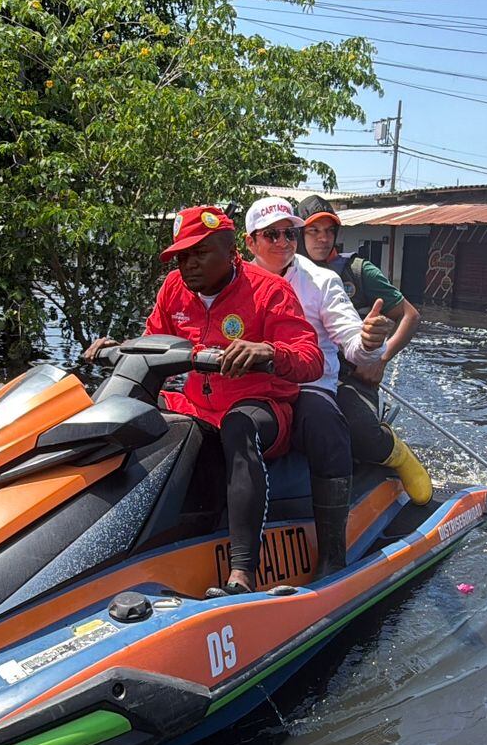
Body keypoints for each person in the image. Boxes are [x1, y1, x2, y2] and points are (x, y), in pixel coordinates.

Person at [85, 206, 323, 595]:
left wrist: (268, 352)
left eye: (199, 254)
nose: (188, 265)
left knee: (238, 425)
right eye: (182, 256)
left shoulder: (270, 291)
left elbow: (310, 360)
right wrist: (119, 348)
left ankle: (243, 569)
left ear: (231, 252)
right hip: (196, 406)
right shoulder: (174, 289)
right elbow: (154, 343)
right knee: (128, 415)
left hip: (262, 407)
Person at [242, 196, 393, 575]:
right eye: (271, 235)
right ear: (250, 242)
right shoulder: (235, 284)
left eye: (289, 233)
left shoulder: (321, 281)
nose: (283, 242)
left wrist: (372, 342)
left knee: (324, 422)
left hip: (307, 386)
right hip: (251, 390)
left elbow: (353, 344)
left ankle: (332, 555)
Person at [296, 194, 432, 504]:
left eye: (329, 231)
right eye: (313, 231)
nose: (322, 239)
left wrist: (380, 359)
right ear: (299, 235)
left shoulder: (357, 271)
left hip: (351, 374)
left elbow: (410, 315)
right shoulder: (285, 272)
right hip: (302, 370)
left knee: (354, 427)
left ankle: (395, 454)